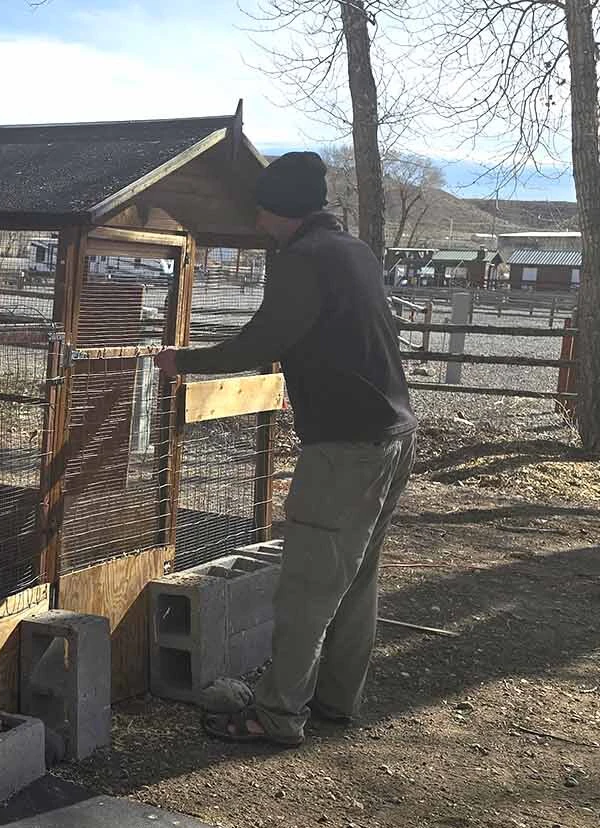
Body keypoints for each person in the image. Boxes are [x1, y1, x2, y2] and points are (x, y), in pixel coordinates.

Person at [154, 151, 418, 748]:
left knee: (308, 585)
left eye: (261, 207)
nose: (255, 217)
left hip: (347, 446)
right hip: (394, 435)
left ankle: (276, 716)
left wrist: (182, 361)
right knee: (355, 577)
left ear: (277, 210)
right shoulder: (354, 251)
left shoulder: (303, 260)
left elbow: (263, 340)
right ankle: (334, 699)